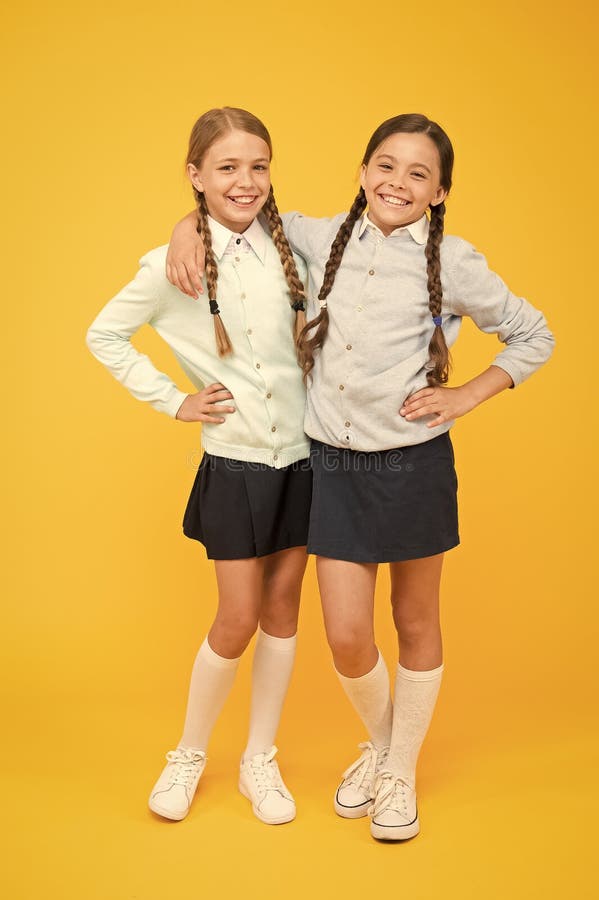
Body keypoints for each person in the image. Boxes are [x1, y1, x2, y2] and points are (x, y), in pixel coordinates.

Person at [165, 113, 555, 841]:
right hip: (333, 465)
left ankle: (397, 773)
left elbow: (534, 333)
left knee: (413, 621)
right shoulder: (319, 238)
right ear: (362, 170)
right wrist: (184, 229)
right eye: (384, 164)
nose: (396, 182)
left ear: (438, 191)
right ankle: (383, 748)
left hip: (412, 463)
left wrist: (467, 394)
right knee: (346, 634)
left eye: (416, 174)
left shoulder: (457, 262)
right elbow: (240, 214)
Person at [86, 107, 312, 826]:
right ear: (195, 177)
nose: (245, 181)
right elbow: (105, 334)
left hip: (307, 459)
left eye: (258, 166)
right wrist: (174, 401)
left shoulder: (297, 248)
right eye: (226, 167)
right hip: (237, 462)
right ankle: (187, 754)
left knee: (281, 613)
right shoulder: (171, 263)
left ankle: (259, 760)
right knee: (237, 616)